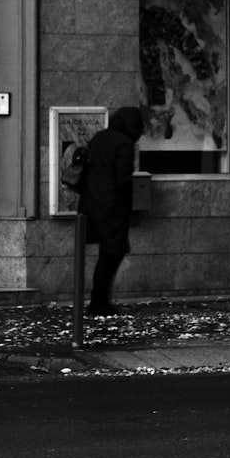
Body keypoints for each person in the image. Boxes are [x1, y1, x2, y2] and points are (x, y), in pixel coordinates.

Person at [78, 106, 145, 317]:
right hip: (113, 206)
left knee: (106, 254)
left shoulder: (100, 137)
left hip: (91, 204)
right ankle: (99, 302)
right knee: (112, 253)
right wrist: (130, 206)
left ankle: (98, 301)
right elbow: (123, 179)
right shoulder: (124, 143)